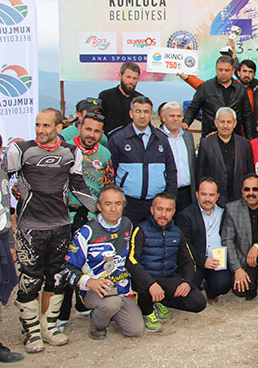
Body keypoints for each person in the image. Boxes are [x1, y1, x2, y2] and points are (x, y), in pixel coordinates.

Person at [2, 109, 97, 353]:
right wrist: (6, 210)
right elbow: (3, 178)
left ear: (59, 127)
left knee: (56, 278)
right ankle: (31, 331)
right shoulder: (21, 150)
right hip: (30, 228)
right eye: (37, 125)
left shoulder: (71, 152)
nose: (40, 130)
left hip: (60, 226)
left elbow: (79, 186)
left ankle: (49, 327)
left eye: (46, 125)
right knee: (30, 280)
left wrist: (100, 210)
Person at [64, 185, 144, 340]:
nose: (113, 209)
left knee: (135, 330)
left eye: (118, 204)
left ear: (123, 206)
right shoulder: (86, 232)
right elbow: (66, 268)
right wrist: (89, 282)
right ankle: (97, 324)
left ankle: (110, 313)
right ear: (99, 207)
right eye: (108, 204)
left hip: (122, 288)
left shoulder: (127, 224)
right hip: (95, 290)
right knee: (111, 304)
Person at [59, 111, 114, 329]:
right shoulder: (65, 151)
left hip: (92, 217)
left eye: (96, 131)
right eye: (88, 129)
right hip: (66, 215)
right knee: (65, 262)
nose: (91, 134)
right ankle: (61, 313)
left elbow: (108, 185)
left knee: (88, 261)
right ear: (79, 127)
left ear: (102, 133)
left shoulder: (104, 154)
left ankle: (82, 304)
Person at [126, 193, 206, 332]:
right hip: (146, 281)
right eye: (159, 209)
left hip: (167, 279)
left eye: (168, 210)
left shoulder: (177, 232)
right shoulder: (140, 230)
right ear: (152, 210)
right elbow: (131, 261)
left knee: (198, 302)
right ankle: (147, 312)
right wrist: (150, 283)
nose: (163, 214)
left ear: (173, 212)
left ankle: (159, 301)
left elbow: (188, 261)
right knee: (143, 286)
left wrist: (187, 282)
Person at [108, 96, 177, 225]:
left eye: (146, 112)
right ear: (131, 113)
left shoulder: (161, 139)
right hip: (128, 203)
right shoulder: (118, 139)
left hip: (156, 203)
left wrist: (170, 198)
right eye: (138, 111)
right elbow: (110, 173)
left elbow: (171, 171)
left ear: (151, 114)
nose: (142, 116)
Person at [221, 174, 258, 310]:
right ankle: (253, 283)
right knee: (241, 291)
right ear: (242, 192)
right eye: (247, 189)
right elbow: (227, 240)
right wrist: (237, 269)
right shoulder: (232, 209)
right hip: (247, 259)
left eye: (255, 189)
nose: (251, 193)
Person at [175, 178, 232, 304]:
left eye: (211, 195)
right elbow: (185, 245)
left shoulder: (225, 210)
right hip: (195, 259)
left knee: (223, 284)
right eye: (203, 194)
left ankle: (210, 290)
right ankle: (200, 282)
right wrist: (203, 260)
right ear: (197, 194)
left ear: (217, 196)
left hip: (217, 259)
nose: (207, 199)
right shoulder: (185, 215)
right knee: (191, 285)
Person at [182, 54, 255, 138]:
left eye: (227, 70)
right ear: (216, 70)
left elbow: (247, 116)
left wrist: (250, 139)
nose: (223, 73)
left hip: (234, 137)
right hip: (210, 136)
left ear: (233, 71)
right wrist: (186, 122)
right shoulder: (205, 87)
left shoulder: (241, 89)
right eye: (220, 70)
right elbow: (193, 108)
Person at [196, 107, 254, 206]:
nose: (225, 126)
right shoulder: (206, 144)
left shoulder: (244, 144)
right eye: (222, 122)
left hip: (239, 198)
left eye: (229, 122)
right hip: (214, 199)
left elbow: (250, 172)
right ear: (216, 123)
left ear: (234, 124)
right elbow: (200, 173)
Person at [0, 134, 23, 362]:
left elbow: (5, 208)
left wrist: (9, 244)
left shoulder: (2, 173)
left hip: (2, 236)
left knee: (3, 284)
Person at [160, 101, 196, 212]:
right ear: (164, 118)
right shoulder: (157, 137)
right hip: (165, 192)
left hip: (187, 193)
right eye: (172, 116)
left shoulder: (188, 136)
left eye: (179, 116)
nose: (176, 119)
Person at [98, 62, 143, 136]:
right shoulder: (106, 96)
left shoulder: (140, 99)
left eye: (134, 78)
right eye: (128, 77)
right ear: (120, 75)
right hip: (110, 139)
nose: (131, 81)